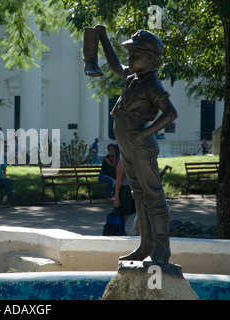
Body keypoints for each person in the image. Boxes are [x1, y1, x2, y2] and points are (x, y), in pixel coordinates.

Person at [96, 25, 178, 265]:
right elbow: (114, 66)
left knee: (153, 196)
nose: (129, 60)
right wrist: (103, 38)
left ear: (150, 60)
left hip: (139, 146)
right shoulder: (133, 78)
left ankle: (161, 250)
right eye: (129, 55)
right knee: (138, 193)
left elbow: (171, 114)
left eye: (134, 56)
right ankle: (144, 246)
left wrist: (144, 135)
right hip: (127, 145)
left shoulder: (152, 83)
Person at [113, 159, 136, 235]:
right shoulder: (122, 162)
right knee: (123, 214)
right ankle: (119, 230)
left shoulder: (136, 160)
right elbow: (118, 180)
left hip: (135, 189)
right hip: (124, 189)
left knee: (134, 213)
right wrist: (116, 197)